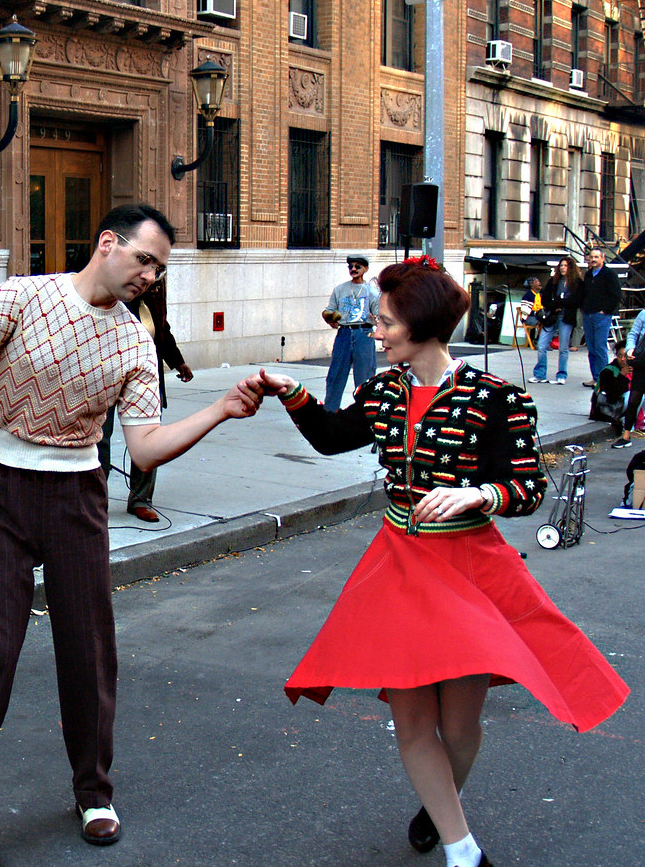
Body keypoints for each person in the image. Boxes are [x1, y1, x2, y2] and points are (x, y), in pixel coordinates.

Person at [244, 257, 629, 867]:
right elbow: (333, 436)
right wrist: (291, 394)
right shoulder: (383, 390)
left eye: (387, 321)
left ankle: (439, 802)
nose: (375, 328)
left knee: (458, 728)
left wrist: (479, 494)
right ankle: (462, 848)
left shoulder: (496, 397)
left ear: (420, 327)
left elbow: (527, 490)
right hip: (398, 564)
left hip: (471, 569)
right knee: (413, 719)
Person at [0, 203, 261, 867]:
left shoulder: (133, 341)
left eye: (160, 269)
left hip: (76, 498)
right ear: (108, 243)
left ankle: (93, 791)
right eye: (146, 260)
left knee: (89, 648)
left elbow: (147, 448)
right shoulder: (27, 294)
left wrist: (219, 409)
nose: (151, 276)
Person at [98, 278, 193, 522]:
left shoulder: (153, 295)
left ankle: (141, 500)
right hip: (108, 375)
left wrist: (177, 361)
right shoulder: (112, 294)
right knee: (99, 440)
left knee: (148, 440)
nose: (151, 280)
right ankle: (95, 500)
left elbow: (161, 327)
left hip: (145, 379)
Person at [322, 255, 379, 411]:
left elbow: (379, 315)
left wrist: (376, 321)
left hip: (364, 333)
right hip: (345, 333)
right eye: (351, 266)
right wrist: (328, 317)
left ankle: (365, 414)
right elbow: (330, 309)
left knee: (365, 377)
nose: (353, 269)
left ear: (365, 269)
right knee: (335, 375)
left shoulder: (372, 292)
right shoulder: (340, 289)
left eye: (357, 266)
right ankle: (330, 413)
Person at [529, 257, 583, 384]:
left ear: (571, 267)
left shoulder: (577, 283)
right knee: (542, 345)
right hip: (553, 316)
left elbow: (577, 300)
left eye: (566, 265)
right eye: (561, 265)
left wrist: (561, 302)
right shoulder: (553, 281)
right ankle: (540, 374)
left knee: (563, 347)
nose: (563, 268)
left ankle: (561, 375)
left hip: (566, 317)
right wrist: (554, 306)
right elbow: (545, 299)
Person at [579, 246, 621, 387]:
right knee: (591, 348)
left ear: (603, 258)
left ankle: (603, 380)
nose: (594, 259)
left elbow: (616, 295)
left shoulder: (609, 274)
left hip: (601, 316)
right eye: (592, 257)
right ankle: (595, 377)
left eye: (597, 257)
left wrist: (605, 311)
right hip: (588, 314)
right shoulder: (588, 275)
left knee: (600, 348)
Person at [613, 309, 645, 448]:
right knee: (634, 399)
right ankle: (626, 435)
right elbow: (633, 334)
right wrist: (630, 349)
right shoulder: (643, 313)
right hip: (642, 362)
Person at [590, 339, 632, 433]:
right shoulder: (608, 371)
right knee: (632, 395)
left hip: (619, 405)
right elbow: (612, 395)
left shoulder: (633, 368)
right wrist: (621, 376)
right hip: (606, 407)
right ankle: (628, 426)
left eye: (625, 356)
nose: (622, 359)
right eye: (620, 356)